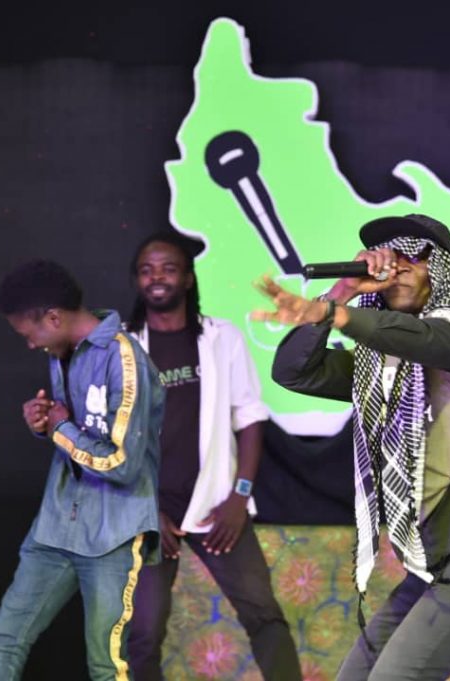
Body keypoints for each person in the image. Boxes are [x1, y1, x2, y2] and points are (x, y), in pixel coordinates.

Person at [257, 214, 450, 681]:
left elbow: (426, 340)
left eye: (417, 255)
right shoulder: (380, 368)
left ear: (442, 272)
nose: (401, 265)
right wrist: (341, 292)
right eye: (393, 255)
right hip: (438, 564)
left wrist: (340, 316)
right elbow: (293, 371)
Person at [125, 231, 302, 681]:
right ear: (137, 281)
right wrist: (144, 510)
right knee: (142, 632)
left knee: (264, 615)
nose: (157, 277)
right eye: (146, 270)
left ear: (187, 278)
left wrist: (239, 497)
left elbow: (250, 418)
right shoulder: (122, 349)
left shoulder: (222, 338)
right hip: (149, 510)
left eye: (168, 269)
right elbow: (112, 439)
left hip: (218, 503)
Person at [0, 259, 164, 681]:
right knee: (5, 638)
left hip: (114, 533)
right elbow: (73, 429)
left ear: (52, 318)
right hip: (56, 525)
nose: (31, 345)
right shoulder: (61, 350)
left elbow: (122, 464)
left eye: (29, 335)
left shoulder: (125, 360)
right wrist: (44, 423)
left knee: (105, 665)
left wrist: (60, 429)